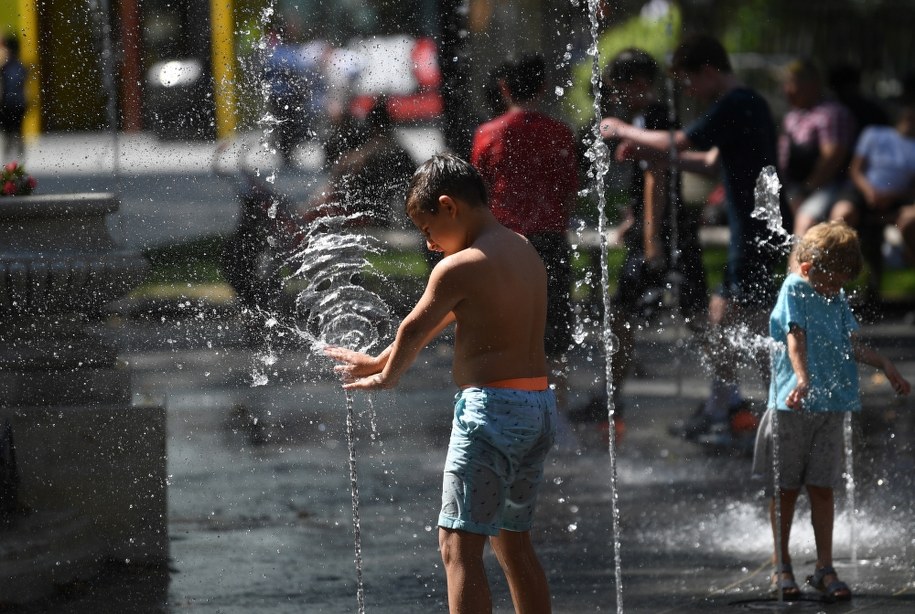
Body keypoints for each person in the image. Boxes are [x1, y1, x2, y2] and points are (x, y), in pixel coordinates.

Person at [325, 154, 556, 614]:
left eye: (428, 228)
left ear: (449, 206)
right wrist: (380, 359)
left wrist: (387, 378)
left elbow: (413, 327)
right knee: (513, 543)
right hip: (536, 409)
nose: (429, 244)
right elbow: (445, 316)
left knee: (457, 546)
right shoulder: (521, 248)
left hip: (491, 415)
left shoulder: (457, 267)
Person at [600, 34, 782, 446]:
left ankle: (779, 407)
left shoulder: (735, 103)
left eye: (689, 81)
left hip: (756, 225)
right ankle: (728, 407)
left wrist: (623, 131)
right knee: (725, 314)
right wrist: (656, 156)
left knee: (743, 319)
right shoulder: (747, 103)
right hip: (755, 224)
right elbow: (711, 161)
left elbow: (680, 141)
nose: (689, 91)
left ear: (709, 71)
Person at [753, 221, 910, 601]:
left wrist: (883, 363)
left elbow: (847, 345)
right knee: (786, 490)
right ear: (808, 269)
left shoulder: (834, 296)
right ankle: (781, 565)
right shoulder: (795, 289)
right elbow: (795, 338)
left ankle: (825, 567)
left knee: (823, 488)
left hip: (831, 406)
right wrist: (802, 379)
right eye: (833, 281)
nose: (837, 288)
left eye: (843, 283)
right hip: (793, 406)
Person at [571, 48, 708, 434]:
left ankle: (727, 400)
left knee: (688, 317)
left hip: (665, 237)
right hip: (667, 231)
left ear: (639, 84)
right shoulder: (654, 117)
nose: (615, 96)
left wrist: (650, 240)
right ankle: (611, 399)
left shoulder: (652, 117)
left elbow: (656, 177)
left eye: (619, 88)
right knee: (675, 316)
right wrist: (634, 220)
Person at [470, 53, 579, 424]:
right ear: (544, 87)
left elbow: (479, 194)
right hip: (550, 241)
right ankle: (556, 416)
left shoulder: (488, 134)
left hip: (504, 244)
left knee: (503, 329)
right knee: (554, 333)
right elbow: (569, 191)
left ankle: (507, 412)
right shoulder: (560, 132)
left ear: (504, 88)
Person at [829, 96, 915, 295]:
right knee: (841, 215)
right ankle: (830, 279)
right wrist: (870, 192)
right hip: (863, 192)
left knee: (911, 221)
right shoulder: (874, 134)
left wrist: (891, 196)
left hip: (897, 198)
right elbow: (855, 169)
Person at [779, 58, 857, 237]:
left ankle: (800, 257)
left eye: (792, 83)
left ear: (812, 85)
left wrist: (805, 191)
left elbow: (832, 158)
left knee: (806, 222)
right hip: (794, 187)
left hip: (827, 187)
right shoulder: (792, 117)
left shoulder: (831, 114)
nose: (786, 90)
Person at [0, 36, 27, 162]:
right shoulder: (17, 66)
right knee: (14, 132)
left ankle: (14, 158)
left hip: (11, 103)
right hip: (13, 103)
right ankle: (15, 158)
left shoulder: (9, 67)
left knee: (12, 132)